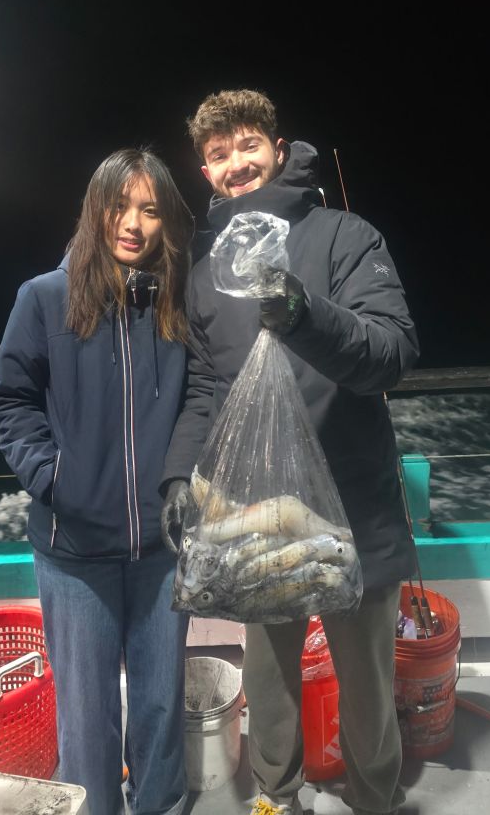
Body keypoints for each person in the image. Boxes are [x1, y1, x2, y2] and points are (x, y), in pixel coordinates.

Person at [160, 90, 419, 815]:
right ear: (204, 170)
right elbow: (207, 385)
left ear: (276, 148)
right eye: (216, 155)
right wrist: (180, 474)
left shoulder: (344, 236)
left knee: (367, 682)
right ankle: (275, 798)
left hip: (350, 510)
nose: (234, 164)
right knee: (269, 685)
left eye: (246, 146)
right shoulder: (205, 265)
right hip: (254, 515)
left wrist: (306, 313)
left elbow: (391, 355)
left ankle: (376, 800)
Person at [0, 149, 193, 815]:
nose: (133, 223)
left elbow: (206, 393)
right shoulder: (44, 297)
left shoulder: (177, 301)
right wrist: (53, 477)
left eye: (151, 209)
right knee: (87, 716)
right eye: (120, 205)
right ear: (95, 207)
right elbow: (11, 399)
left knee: (162, 708)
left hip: (164, 550)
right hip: (74, 552)